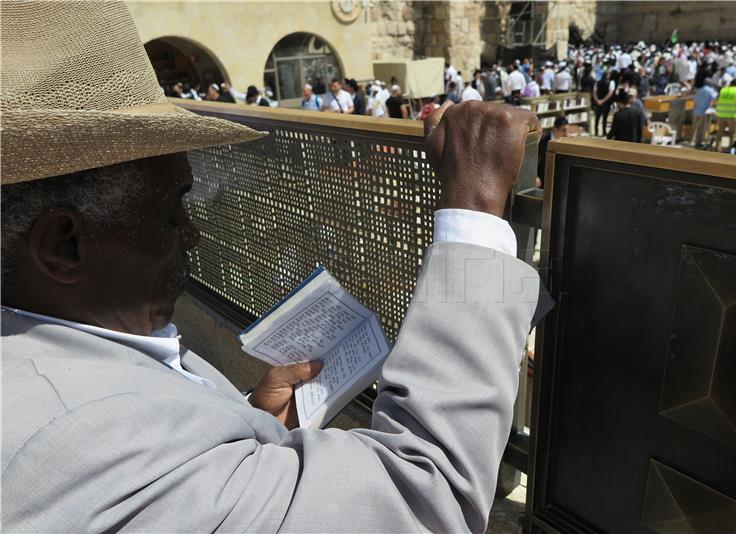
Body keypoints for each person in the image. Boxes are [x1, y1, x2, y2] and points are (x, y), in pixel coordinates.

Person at [3, 3, 551, 533]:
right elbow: (423, 502)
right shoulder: (89, 447)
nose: (191, 232)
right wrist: (474, 211)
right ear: (65, 246)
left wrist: (249, 423)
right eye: (172, 209)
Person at [536, 116, 568, 188]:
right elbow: (535, 161)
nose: (566, 134)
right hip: (544, 179)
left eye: (567, 130)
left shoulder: (568, 142)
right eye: (563, 130)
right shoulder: (542, 142)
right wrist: (536, 176)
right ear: (555, 129)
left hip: (561, 180)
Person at [714, 79, 736, 152]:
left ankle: (717, 149)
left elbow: (716, 100)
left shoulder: (723, 90)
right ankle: (730, 150)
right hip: (732, 115)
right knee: (732, 134)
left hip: (721, 114)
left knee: (719, 133)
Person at [691, 78, 718, 148]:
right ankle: (698, 143)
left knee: (694, 127)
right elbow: (715, 99)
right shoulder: (711, 91)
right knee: (701, 128)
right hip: (704, 112)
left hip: (696, 111)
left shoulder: (699, 90)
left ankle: (691, 140)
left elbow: (695, 100)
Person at [592, 69, 614, 136]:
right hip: (606, 103)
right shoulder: (611, 82)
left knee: (597, 118)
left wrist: (598, 100)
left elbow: (594, 92)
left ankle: (596, 131)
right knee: (605, 118)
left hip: (598, 102)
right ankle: (604, 132)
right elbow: (610, 93)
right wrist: (603, 100)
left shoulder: (597, 82)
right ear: (608, 75)